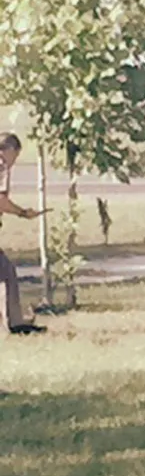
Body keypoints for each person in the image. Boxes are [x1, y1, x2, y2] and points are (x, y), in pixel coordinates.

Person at [0, 133, 45, 334]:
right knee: (6, 272)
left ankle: (13, 323)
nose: (14, 162)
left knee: (5, 272)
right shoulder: (1, 166)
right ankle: (14, 325)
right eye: (15, 157)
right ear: (10, 150)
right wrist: (23, 213)